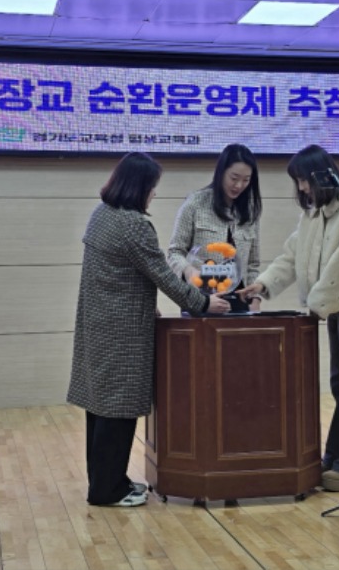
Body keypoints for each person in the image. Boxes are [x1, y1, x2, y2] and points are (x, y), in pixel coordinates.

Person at [68, 152, 230, 507]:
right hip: (121, 332)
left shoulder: (102, 214)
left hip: (98, 323)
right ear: (138, 187)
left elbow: (118, 275)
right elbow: (162, 275)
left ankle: (110, 480)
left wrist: (143, 301)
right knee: (119, 410)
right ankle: (107, 491)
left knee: (99, 409)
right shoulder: (133, 225)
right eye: (152, 187)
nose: (153, 194)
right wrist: (204, 303)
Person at [237, 145, 339, 492]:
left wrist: (313, 308)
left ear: (321, 176)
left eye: (304, 181)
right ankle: (337, 457)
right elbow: (293, 256)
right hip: (338, 306)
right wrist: (264, 284)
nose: (302, 189)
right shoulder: (316, 214)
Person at [167, 143, 263, 312]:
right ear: (221, 173)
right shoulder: (195, 203)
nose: (239, 185)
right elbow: (175, 252)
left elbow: (253, 263)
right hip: (200, 297)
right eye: (234, 178)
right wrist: (189, 271)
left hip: (239, 298)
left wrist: (255, 297)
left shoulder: (250, 210)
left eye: (246, 180)